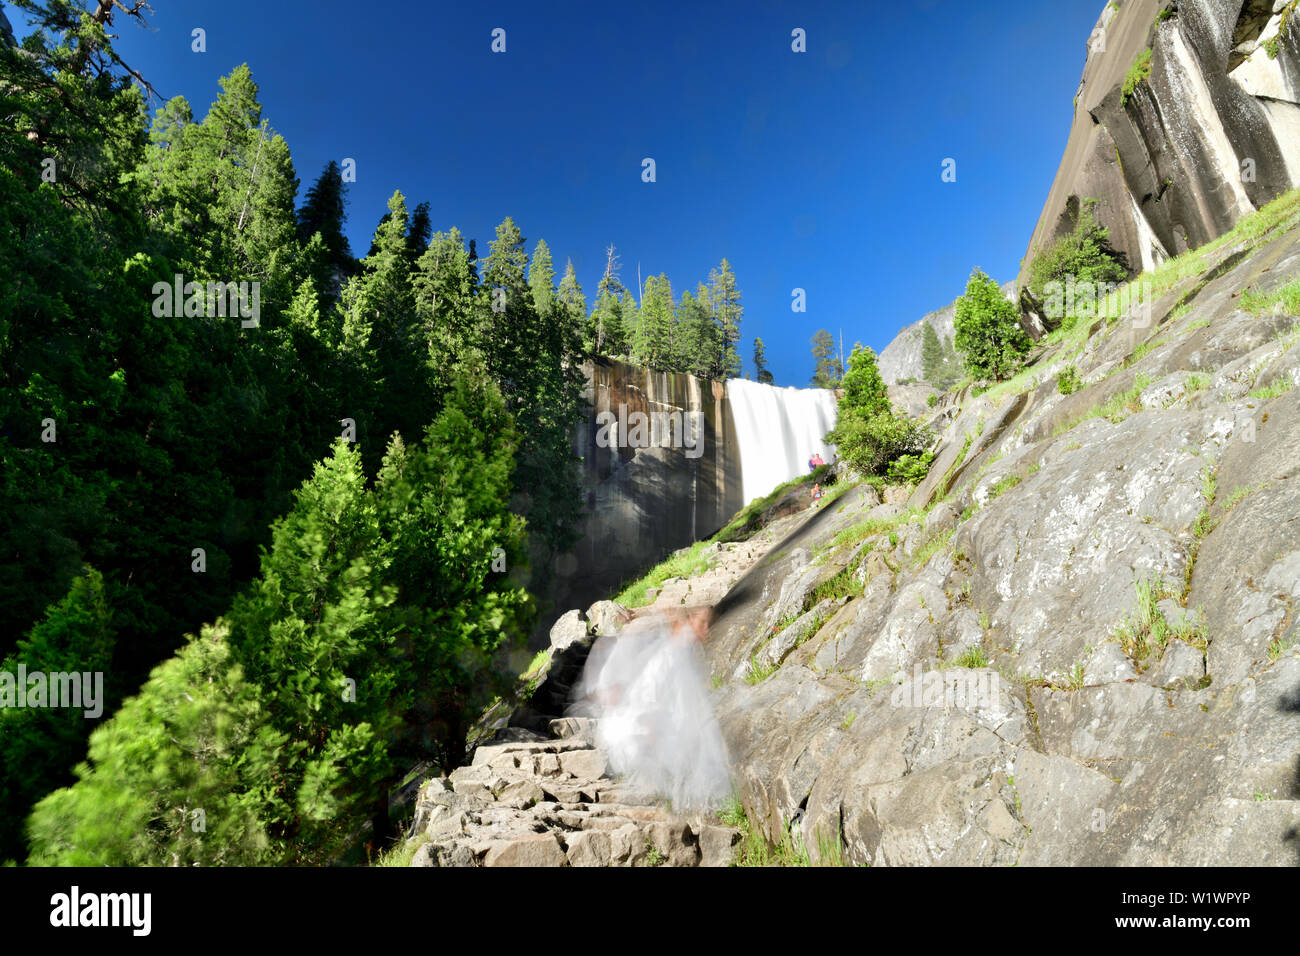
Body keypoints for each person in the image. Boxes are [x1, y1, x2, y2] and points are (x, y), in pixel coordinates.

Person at [569, 606, 731, 811]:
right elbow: (649, 697)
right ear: (689, 623)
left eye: (709, 624)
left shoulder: (683, 651)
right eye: (702, 623)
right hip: (642, 734)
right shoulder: (668, 656)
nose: (707, 630)